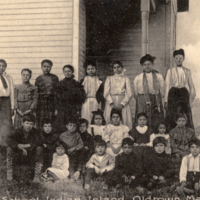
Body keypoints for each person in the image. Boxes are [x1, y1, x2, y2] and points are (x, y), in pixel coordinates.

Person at [165, 49, 196, 130]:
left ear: (183, 59)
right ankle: (171, 132)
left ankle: (187, 133)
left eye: (180, 58)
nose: (178, 60)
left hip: (183, 93)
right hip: (173, 93)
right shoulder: (170, 71)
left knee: (185, 112)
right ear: (174, 59)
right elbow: (167, 85)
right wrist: (165, 100)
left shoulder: (187, 71)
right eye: (176, 58)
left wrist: (191, 98)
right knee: (172, 112)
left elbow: (191, 85)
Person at [6, 114, 43, 183]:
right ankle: (9, 172)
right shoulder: (17, 131)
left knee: (39, 148)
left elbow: (40, 141)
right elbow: (8, 139)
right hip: (19, 153)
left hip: (31, 154)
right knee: (9, 149)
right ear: (23, 123)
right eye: (27, 123)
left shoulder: (36, 132)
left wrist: (28, 145)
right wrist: (18, 145)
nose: (29, 126)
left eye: (31, 124)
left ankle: (37, 175)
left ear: (34, 125)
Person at [133, 54, 164, 131]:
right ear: (142, 66)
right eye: (145, 65)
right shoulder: (138, 78)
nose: (147, 66)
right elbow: (135, 93)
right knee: (143, 119)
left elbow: (163, 90)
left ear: (152, 65)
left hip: (155, 100)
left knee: (155, 119)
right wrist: (142, 100)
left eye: (149, 64)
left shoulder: (159, 76)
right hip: (142, 101)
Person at [55, 65, 86, 132]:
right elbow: (56, 97)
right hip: (62, 108)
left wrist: (78, 108)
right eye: (65, 71)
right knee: (62, 124)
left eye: (69, 71)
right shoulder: (60, 84)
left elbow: (80, 98)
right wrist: (56, 109)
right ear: (63, 72)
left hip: (73, 108)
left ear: (72, 72)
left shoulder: (76, 84)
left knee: (72, 124)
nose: (67, 73)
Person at [104, 61, 132, 129]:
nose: (116, 69)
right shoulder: (109, 78)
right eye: (114, 67)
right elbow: (106, 93)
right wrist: (111, 103)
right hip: (112, 101)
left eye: (118, 67)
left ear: (122, 68)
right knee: (109, 117)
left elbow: (129, 93)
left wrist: (122, 104)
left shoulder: (126, 79)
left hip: (122, 100)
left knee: (124, 118)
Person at [35, 59, 59, 129]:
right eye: (44, 66)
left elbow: (57, 93)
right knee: (41, 120)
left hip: (51, 101)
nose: (46, 68)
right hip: (41, 102)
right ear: (41, 67)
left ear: (51, 67)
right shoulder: (38, 79)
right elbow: (36, 93)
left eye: (48, 66)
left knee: (51, 119)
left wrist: (56, 107)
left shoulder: (55, 78)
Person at [0, 59, 15, 151]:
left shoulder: (9, 78)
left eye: (3, 66)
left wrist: (12, 107)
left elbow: (12, 93)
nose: (1, 67)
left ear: (5, 67)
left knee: (7, 124)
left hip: (6, 101)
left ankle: (5, 147)